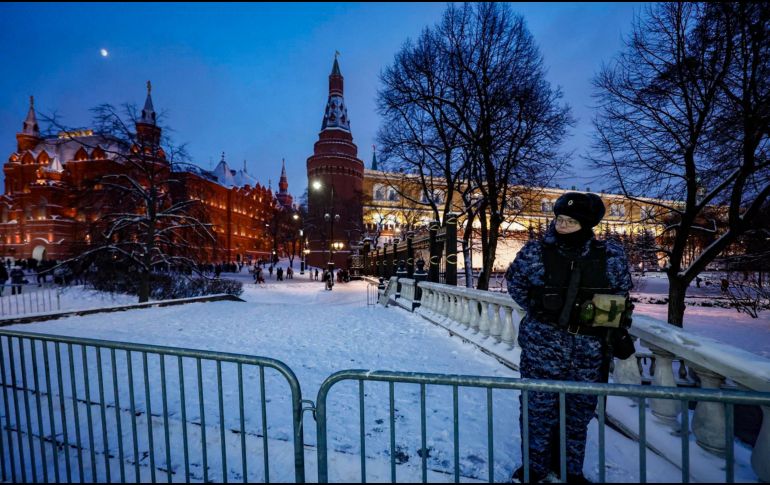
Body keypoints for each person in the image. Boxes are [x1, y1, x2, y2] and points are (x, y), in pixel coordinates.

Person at [505, 192, 633, 484]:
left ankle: (570, 470)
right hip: (543, 347)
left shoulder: (609, 255)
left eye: (570, 221)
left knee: (578, 414)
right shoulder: (535, 252)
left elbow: (620, 292)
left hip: (589, 351)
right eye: (559, 219)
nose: (561, 225)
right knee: (537, 410)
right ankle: (535, 468)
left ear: (586, 224)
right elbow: (516, 285)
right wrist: (545, 313)